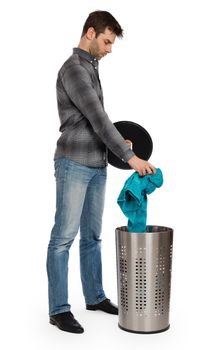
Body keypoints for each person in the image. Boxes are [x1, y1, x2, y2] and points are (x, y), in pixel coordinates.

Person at [46, 10, 156, 334]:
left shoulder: (91, 68)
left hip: (96, 165)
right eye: (107, 41)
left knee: (92, 236)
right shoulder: (73, 69)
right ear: (90, 33)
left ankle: (94, 297)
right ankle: (58, 309)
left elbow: (93, 121)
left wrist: (118, 142)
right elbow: (95, 116)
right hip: (73, 163)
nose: (110, 49)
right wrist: (130, 156)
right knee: (63, 238)